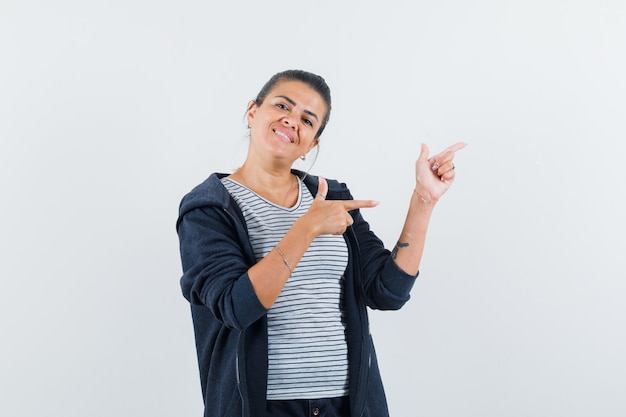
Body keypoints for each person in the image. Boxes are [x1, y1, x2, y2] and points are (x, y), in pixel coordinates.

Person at [176, 69, 465, 417]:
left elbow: (388, 291)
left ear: (311, 143)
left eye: (307, 120)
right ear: (253, 111)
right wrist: (305, 228)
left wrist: (424, 199)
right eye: (282, 104)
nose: (291, 120)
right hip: (259, 407)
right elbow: (236, 307)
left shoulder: (333, 198)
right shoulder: (208, 207)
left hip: (348, 404)